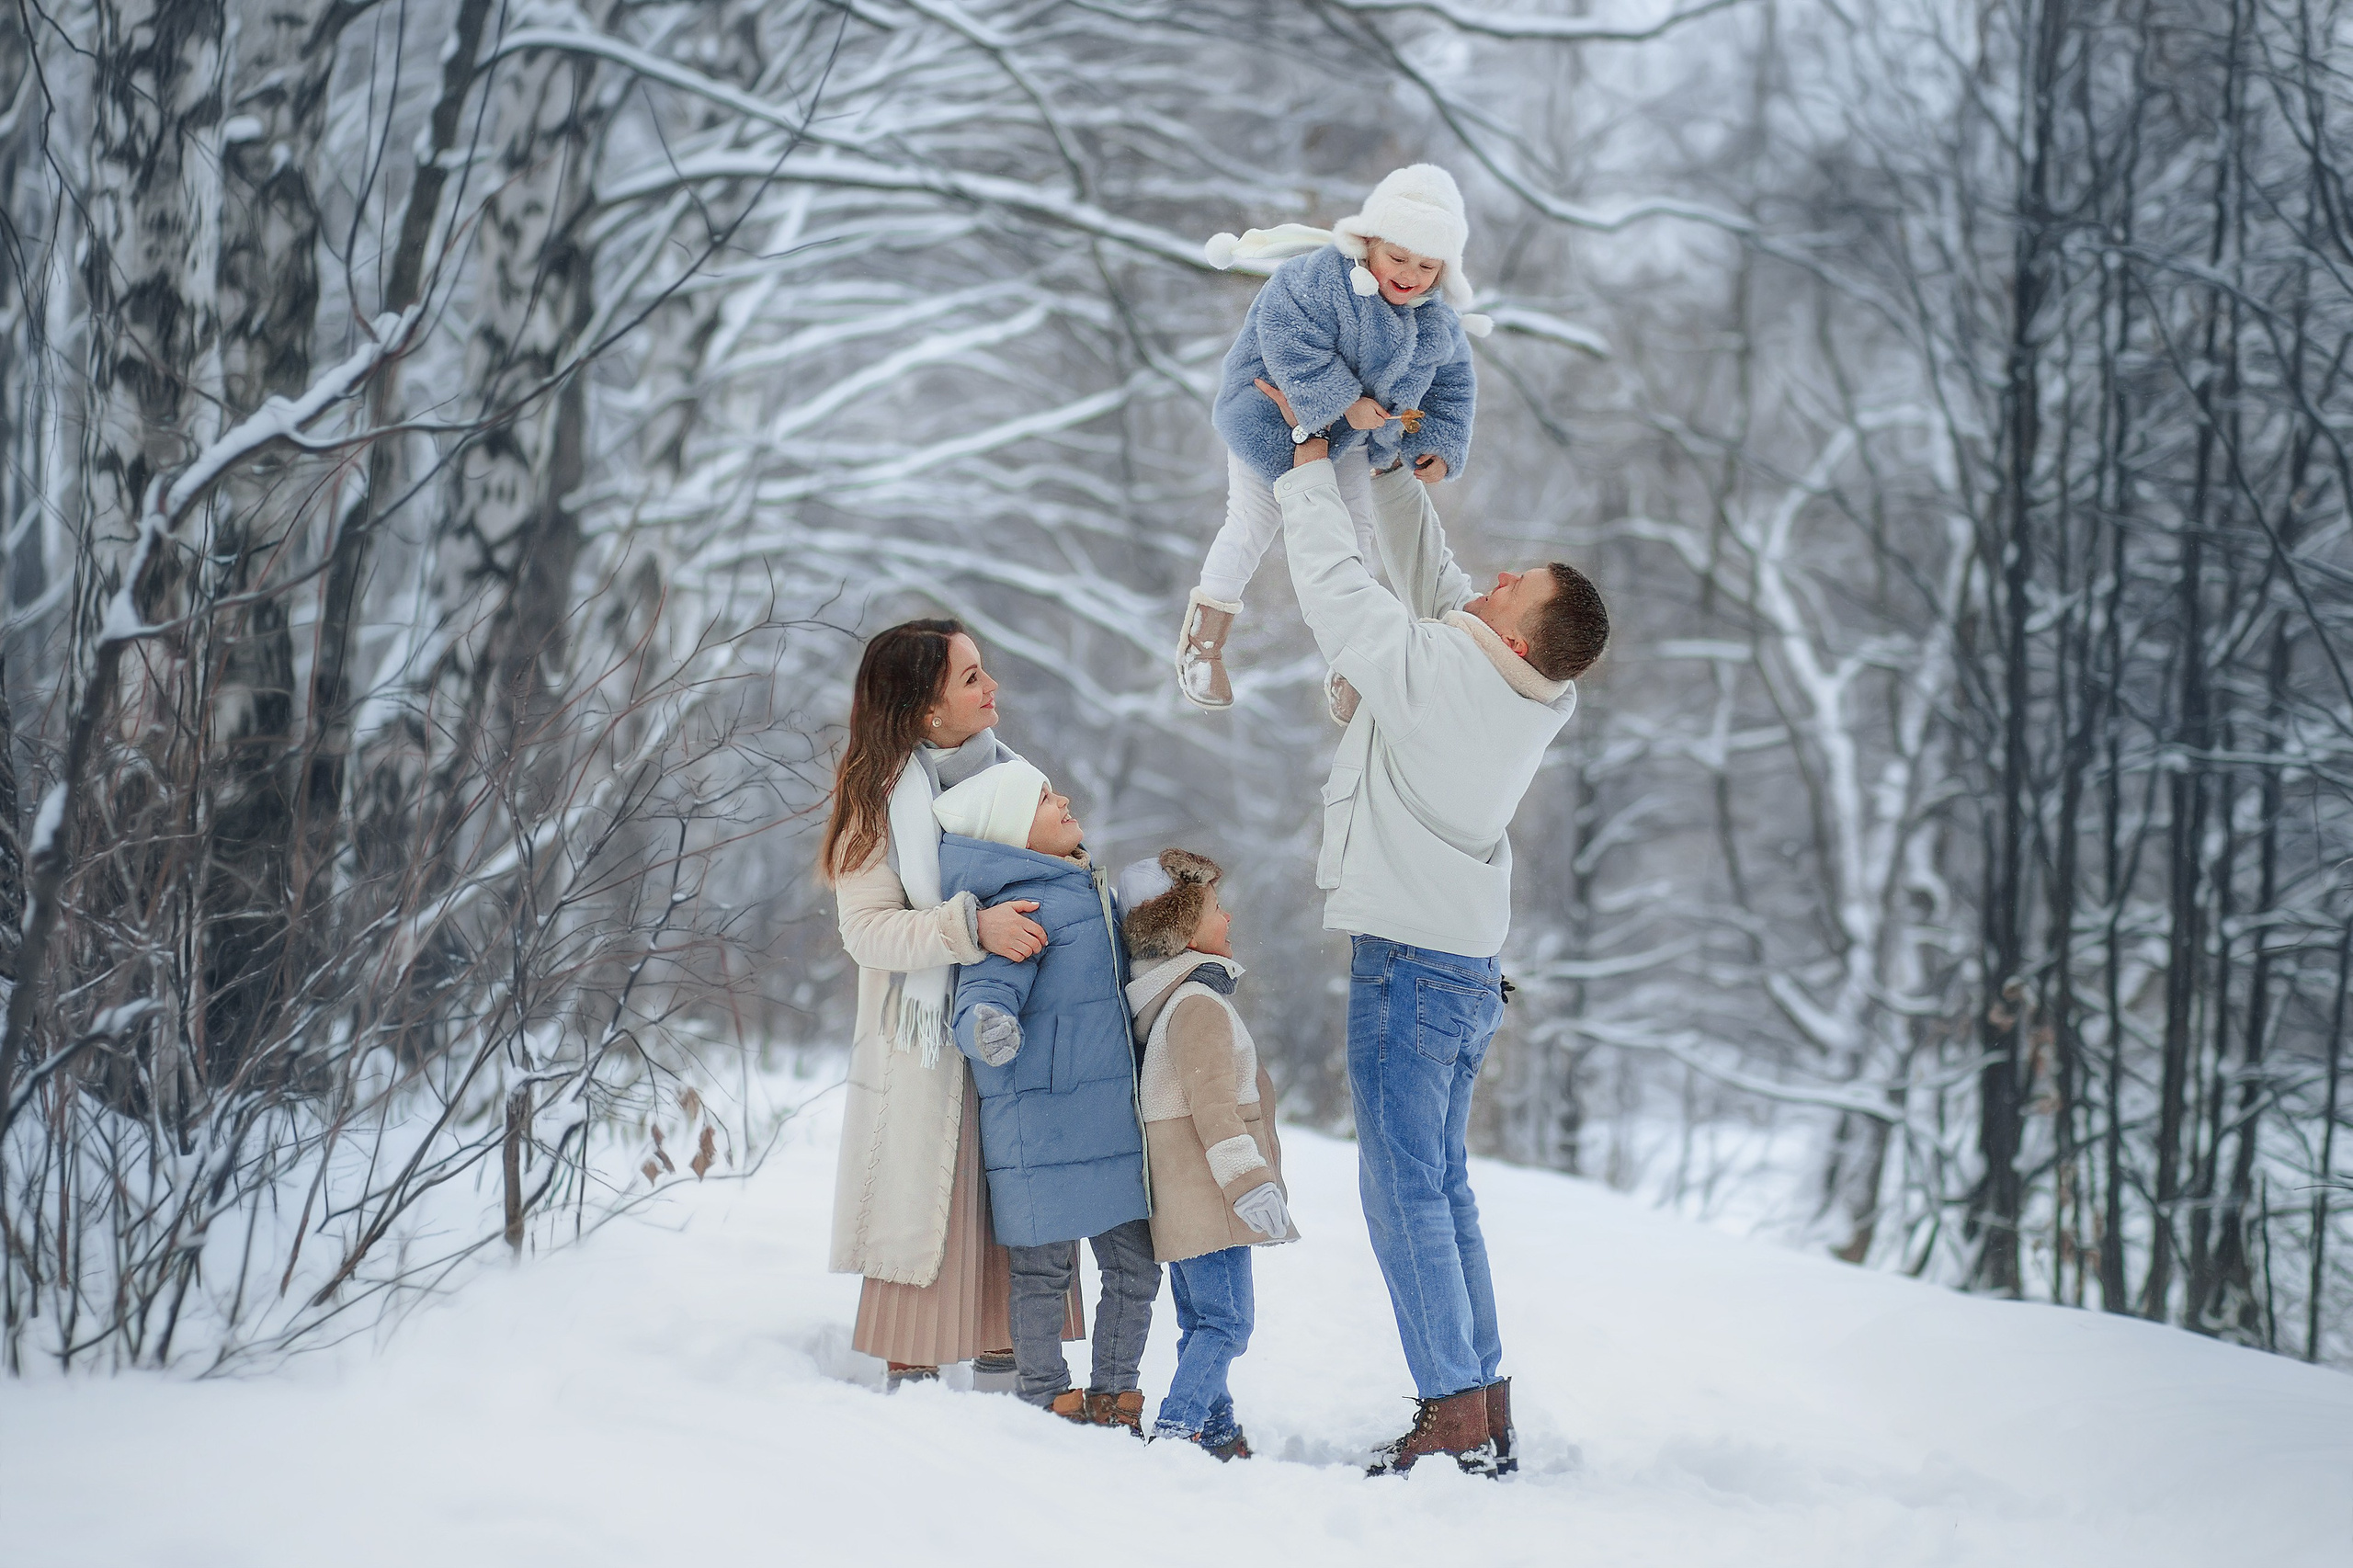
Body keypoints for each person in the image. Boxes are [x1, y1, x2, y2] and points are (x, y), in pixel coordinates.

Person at [1262, 380, 1609, 1477]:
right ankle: (1482, 1402)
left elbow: (1336, 588)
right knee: (1441, 1185)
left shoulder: (1441, 681)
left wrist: (1310, 463)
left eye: (1516, 585)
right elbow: (1442, 587)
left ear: (1519, 629)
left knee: (1403, 1189)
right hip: (1456, 969)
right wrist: (1404, 480)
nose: (1494, 579)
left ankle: (1453, 1412)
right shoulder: (1527, 683)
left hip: (1411, 972)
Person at [819, 620, 1079, 1393]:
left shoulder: (1014, 776)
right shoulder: (873, 798)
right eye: (970, 678)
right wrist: (971, 928)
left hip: (1019, 1027)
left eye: (982, 670)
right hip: (922, 1042)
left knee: (1014, 1190)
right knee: (933, 1195)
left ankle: (1011, 1357)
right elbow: (866, 931)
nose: (990, 686)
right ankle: (916, 1369)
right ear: (926, 710)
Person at [1179, 164, 1491, 721]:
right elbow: (1283, 330)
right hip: (1271, 417)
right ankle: (1203, 642)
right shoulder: (1321, 279)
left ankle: (1353, 662)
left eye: (1427, 266)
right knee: (1253, 522)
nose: (1410, 275)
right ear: (1369, 241)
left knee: (1355, 538)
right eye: (1398, 258)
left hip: (1348, 440)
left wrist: (1440, 444)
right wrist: (1342, 399)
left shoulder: (1436, 325)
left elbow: (1453, 384)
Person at [934, 762, 1159, 1430]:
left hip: (1111, 1125)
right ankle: (1047, 1395)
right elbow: (983, 993)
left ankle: (1115, 1393)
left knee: (1136, 1268)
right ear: (1010, 830)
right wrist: (986, 1027)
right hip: (1044, 1122)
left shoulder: (1086, 889)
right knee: (1041, 1276)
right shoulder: (1023, 909)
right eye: (1041, 797)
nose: (1062, 798)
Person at [1118, 848, 1297, 1461]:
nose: (1228, 917)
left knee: (1204, 1322)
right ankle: (1180, 1428)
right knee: (1227, 1325)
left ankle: (1217, 1431)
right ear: (1182, 929)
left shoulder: (1168, 998)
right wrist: (1250, 1183)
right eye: (1216, 909)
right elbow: (1213, 1106)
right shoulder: (1196, 1004)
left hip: (1186, 1198)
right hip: (1211, 1196)